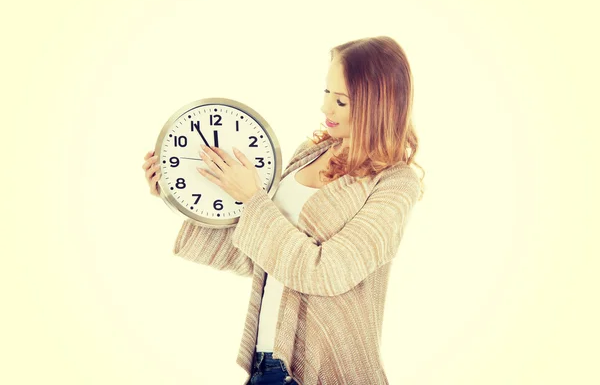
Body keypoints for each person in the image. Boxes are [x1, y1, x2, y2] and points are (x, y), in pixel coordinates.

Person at [142, 35, 425, 385]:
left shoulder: (395, 183)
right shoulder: (310, 151)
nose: (326, 110)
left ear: (378, 105)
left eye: (341, 101)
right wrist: (179, 192)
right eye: (326, 93)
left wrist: (253, 198)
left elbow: (327, 272)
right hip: (267, 363)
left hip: (328, 373)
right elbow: (261, 252)